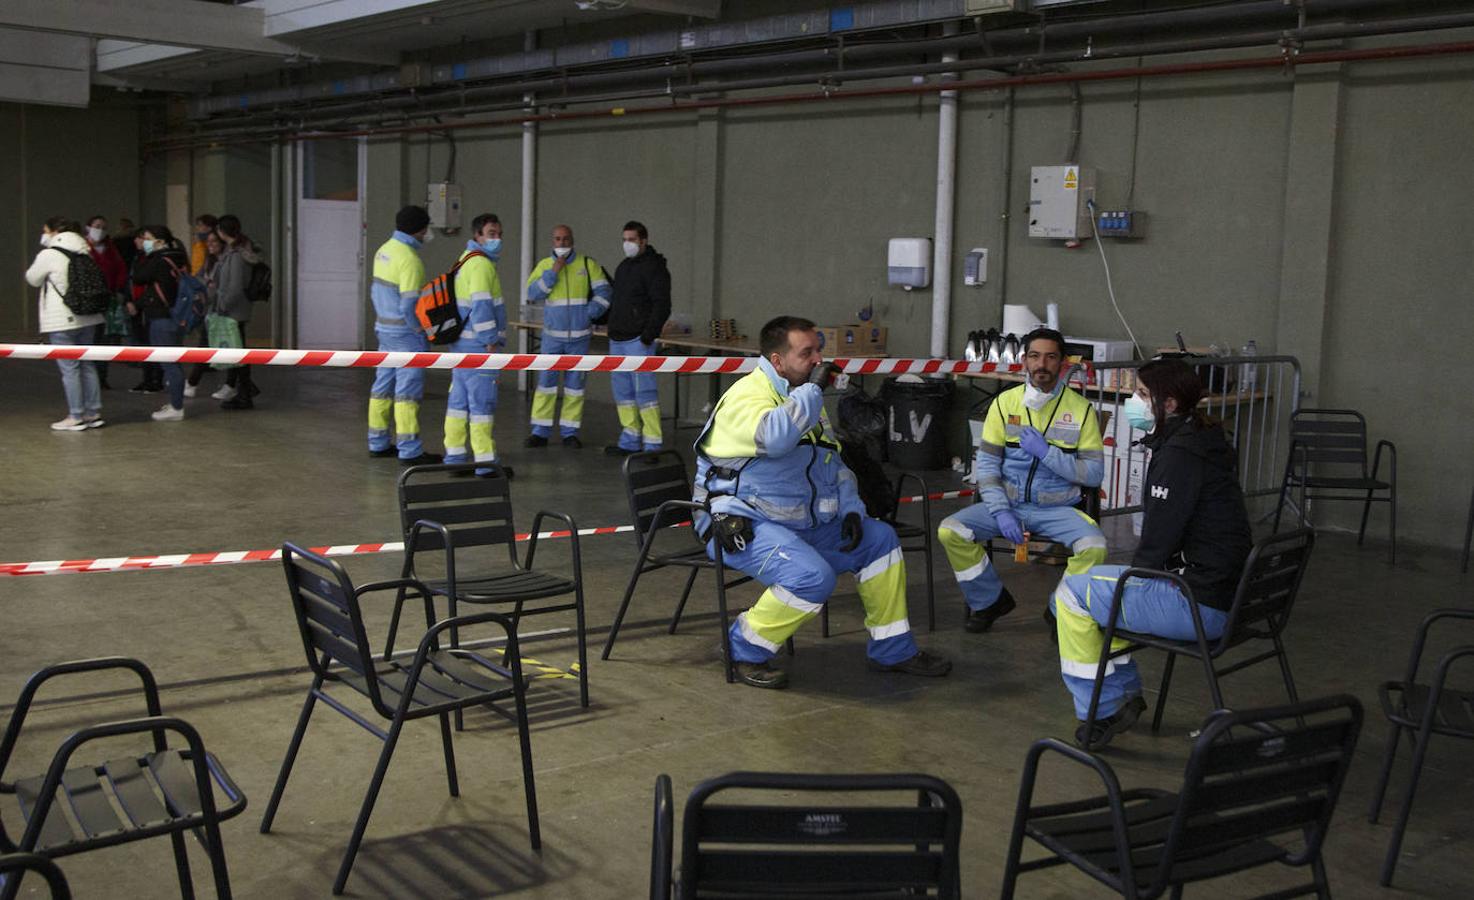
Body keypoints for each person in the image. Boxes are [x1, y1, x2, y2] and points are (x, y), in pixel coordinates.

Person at [693, 315, 952, 689]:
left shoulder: (800, 399)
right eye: (807, 353)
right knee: (812, 577)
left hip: (797, 523)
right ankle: (741, 650)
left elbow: (834, 463)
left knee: (880, 542)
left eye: (819, 351)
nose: (819, 361)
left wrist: (851, 509)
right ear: (777, 361)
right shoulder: (748, 397)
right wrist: (812, 392)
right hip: (739, 524)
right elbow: (777, 438)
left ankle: (892, 650)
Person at [1053, 358, 1253, 748]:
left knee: (1071, 595)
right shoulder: (1204, 440)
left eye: (1143, 394)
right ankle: (1121, 693)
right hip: (1234, 596)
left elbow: (1155, 548)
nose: (1133, 401)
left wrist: (1130, 581)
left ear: (1171, 405)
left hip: (1201, 605)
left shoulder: (1177, 457)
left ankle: (1106, 707)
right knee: (1102, 589)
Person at [937, 327, 1106, 633]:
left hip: (1057, 509)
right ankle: (989, 600)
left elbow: (1094, 474)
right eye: (1034, 356)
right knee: (951, 531)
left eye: (1050, 357)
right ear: (1024, 361)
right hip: (1008, 505)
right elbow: (986, 465)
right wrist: (1000, 510)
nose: (1042, 364)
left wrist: (1047, 453)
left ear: (1063, 363)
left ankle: (1059, 610)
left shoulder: (1081, 411)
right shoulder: (1004, 404)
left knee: (1094, 546)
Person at [523, 224, 611, 449]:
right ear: (552, 242)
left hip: (580, 337)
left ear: (572, 240)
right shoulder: (544, 265)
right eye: (557, 239)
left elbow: (605, 292)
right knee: (546, 386)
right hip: (552, 337)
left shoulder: (586, 264)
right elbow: (532, 293)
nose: (561, 244)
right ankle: (540, 432)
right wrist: (553, 272)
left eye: (565, 239)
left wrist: (589, 313)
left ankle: (570, 432)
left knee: (575, 387)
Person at [367, 206, 440, 465]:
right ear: (419, 229)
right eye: (427, 228)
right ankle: (409, 450)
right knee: (407, 392)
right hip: (406, 334)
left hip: (384, 330)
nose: (428, 233)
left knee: (382, 387)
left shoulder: (383, 250)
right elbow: (409, 306)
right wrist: (420, 329)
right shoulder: (410, 259)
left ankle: (377, 442)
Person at [443, 213, 511, 474]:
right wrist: (491, 340)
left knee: (458, 404)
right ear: (478, 236)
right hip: (479, 347)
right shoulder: (481, 264)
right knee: (482, 405)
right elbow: (482, 307)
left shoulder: (464, 259)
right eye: (492, 234)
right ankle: (485, 464)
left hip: (460, 346)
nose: (497, 239)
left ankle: (455, 458)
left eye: (499, 234)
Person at [26, 217, 105, 431]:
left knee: (69, 368)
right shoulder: (84, 250)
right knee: (88, 364)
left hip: (62, 318)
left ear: (54, 231)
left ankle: (75, 415)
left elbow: (32, 278)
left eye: (45, 230)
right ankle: (93, 413)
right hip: (88, 316)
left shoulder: (49, 254)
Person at [602, 220, 671, 456]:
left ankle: (652, 445)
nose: (627, 244)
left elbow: (662, 305)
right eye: (624, 239)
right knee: (623, 394)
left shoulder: (655, 268)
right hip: (617, 340)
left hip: (638, 341)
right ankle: (629, 440)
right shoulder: (623, 267)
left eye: (631, 239)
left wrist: (647, 336)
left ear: (644, 240)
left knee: (645, 394)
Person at [129, 225, 192, 421]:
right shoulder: (178, 256)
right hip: (177, 316)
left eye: (147, 238)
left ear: (159, 241)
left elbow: (138, 277)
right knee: (174, 361)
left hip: (162, 317)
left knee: (169, 363)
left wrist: (144, 255)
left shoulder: (158, 260)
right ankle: (176, 402)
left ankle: (176, 406)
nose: (143, 242)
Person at [211, 215, 262, 410]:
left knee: (238, 354)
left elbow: (234, 287)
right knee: (237, 352)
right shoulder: (237, 252)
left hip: (233, 311)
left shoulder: (236, 256)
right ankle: (242, 389)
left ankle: (245, 393)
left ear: (222, 232)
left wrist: (222, 306)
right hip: (237, 309)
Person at [84, 215, 128, 390]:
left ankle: (101, 376)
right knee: (90, 339)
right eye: (97, 226)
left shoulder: (111, 249)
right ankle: (89, 377)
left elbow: (120, 269)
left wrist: (116, 289)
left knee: (102, 340)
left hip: (107, 299)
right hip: (89, 301)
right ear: (88, 227)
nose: (100, 230)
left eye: (103, 226)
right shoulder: (83, 248)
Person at [184, 231, 225, 397]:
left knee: (210, 346)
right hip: (210, 310)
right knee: (208, 345)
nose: (211, 245)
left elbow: (223, 287)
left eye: (215, 241)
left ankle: (192, 382)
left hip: (221, 310)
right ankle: (238, 385)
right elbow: (199, 278)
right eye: (209, 242)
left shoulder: (226, 261)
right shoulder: (210, 261)